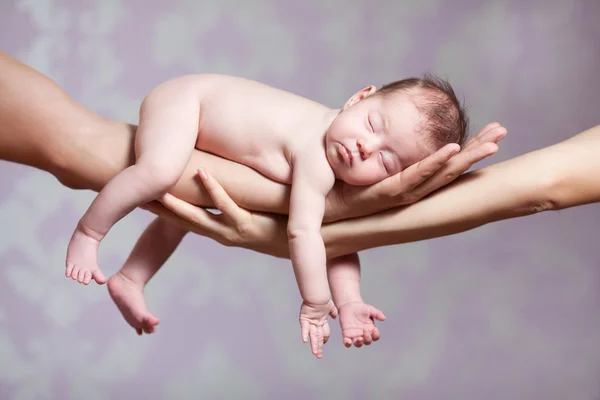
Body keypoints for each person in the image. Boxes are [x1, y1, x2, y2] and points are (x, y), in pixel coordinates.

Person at [0, 51, 516, 349]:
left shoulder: (339, 168)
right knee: (158, 172)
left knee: (192, 210)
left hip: (209, 130)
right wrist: (317, 304)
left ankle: (130, 278)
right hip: (188, 101)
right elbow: (305, 233)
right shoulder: (319, 158)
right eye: (373, 125)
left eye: (386, 160)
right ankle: (89, 234)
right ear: (359, 98)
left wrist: (351, 302)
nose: (364, 146)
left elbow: (336, 239)